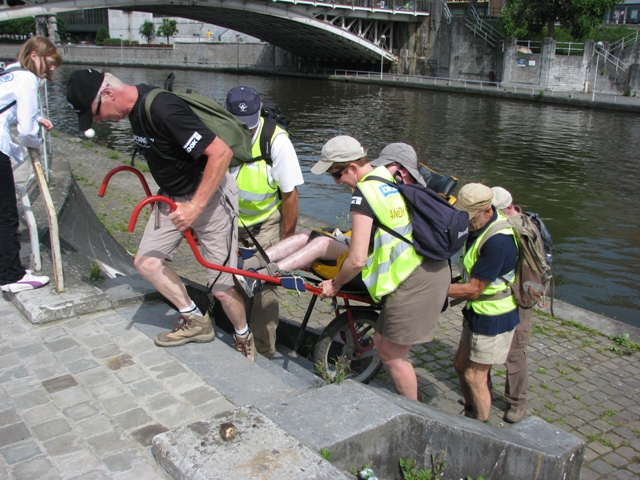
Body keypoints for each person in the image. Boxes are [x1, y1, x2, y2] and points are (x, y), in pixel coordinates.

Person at [66, 69, 255, 361]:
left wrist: (195, 207)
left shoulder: (162, 108)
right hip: (170, 198)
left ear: (108, 94)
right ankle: (195, 319)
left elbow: (221, 153)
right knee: (146, 262)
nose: (98, 121)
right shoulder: (134, 111)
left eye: (96, 113)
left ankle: (244, 336)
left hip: (210, 198)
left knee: (221, 287)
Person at [311, 138, 450, 401]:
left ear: (352, 167)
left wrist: (335, 284)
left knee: (393, 355)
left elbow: (356, 260)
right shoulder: (388, 177)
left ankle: (413, 413)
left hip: (416, 278)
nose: (336, 182)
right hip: (424, 267)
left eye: (336, 174)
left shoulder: (363, 193)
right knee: (382, 344)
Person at [224, 86, 304, 359]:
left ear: (259, 111)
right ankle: (238, 339)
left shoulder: (277, 141)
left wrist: (286, 242)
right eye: (238, 124)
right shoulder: (221, 134)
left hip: (265, 225)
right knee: (228, 282)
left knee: (265, 291)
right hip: (231, 221)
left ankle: (264, 350)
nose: (245, 131)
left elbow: (290, 196)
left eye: (249, 125)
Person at [448, 183, 520, 422]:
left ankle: (480, 426)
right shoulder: (479, 227)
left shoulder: (498, 243)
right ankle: (469, 411)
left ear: (487, 211)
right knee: (460, 364)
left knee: (474, 377)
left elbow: (474, 289)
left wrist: (433, 289)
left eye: (469, 218)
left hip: (494, 317)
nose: (465, 223)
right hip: (477, 312)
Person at [0, 37, 62, 293]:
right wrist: (35, 140)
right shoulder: (27, 78)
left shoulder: (8, 74)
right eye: (49, 63)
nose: (52, 70)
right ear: (35, 55)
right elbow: (25, 131)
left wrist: (37, 117)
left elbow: (9, 108)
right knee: (6, 215)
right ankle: (11, 276)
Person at [490, 186, 530, 423]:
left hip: (517, 298)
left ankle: (517, 403)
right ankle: (479, 391)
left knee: (515, 352)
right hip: (496, 297)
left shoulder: (519, 230)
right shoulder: (507, 223)